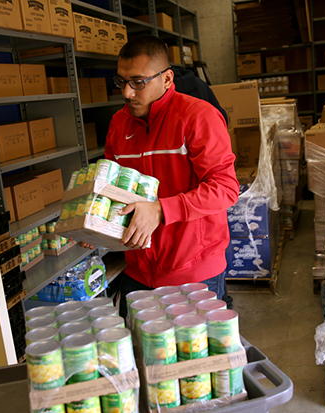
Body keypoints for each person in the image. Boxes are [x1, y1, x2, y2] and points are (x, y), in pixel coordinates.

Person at [82, 35, 239, 316]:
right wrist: (95, 223)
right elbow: (113, 187)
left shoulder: (198, 117)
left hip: (193, 271)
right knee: (142, 355)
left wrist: (160, 210)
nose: (127, 93)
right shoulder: (119, 124)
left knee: (192, 359)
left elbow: (225, 188)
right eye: (121, 82)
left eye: (138, 82)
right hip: (139, 270)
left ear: (166, 79)